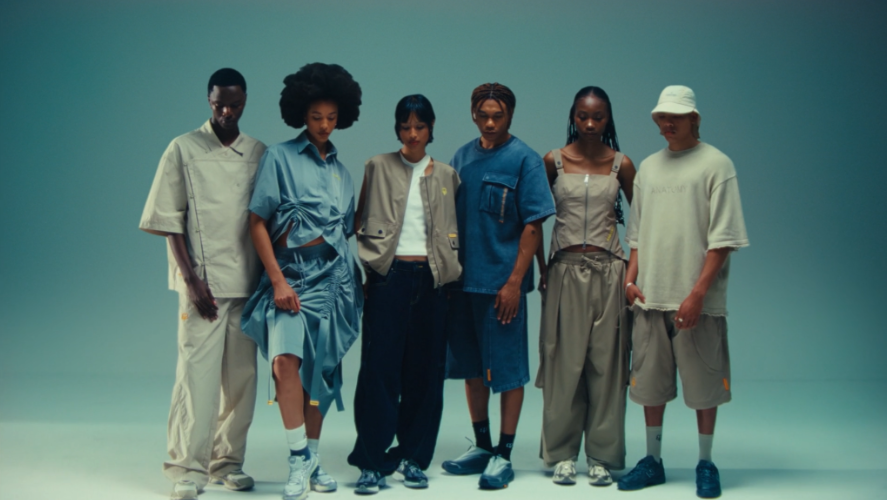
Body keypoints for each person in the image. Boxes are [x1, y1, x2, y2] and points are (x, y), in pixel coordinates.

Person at [617, 85, 749, 499]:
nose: (667, 124)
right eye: (661, 117)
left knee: (704, 387)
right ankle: (652, 460)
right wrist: (630, 281)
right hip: (650, 298)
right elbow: (637, 235)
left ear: (694, 118)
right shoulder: (649, 169)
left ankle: (706, 462)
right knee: (649, 386)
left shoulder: (717, 165)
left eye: (675, 117)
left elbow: (724, 238)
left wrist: (698, 294)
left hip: (698, 303)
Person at [139, 68, 264, 500]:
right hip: (203, 286)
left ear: (245, 101)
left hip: (247, 283)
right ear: (208, 101)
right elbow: (169, 219)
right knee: (196, 378)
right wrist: (192, 280)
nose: (227, 112)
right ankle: (187, 468)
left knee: (242, 379)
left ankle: (227, 462)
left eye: (234, 104)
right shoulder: (183, 148)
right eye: (219, 105)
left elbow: (264, 219)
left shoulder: (258, 152)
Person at [240, 63, 363, 500]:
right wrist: (277, 281)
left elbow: (346, 231)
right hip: (290, 277)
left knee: (322, 372)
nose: (324, 125)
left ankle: (313, 457)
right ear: (301, 114)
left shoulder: (343, 173)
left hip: (333, 281)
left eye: (332, 117)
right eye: (316, 117)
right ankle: (297, 459)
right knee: (284, 363)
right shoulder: (279, 157)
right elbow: (257, 222)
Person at [442, 83, 556, 490]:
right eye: (483, 115)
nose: (490, 123)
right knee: (471, 370)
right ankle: (482, 446)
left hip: (501, 287)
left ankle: (504, 455)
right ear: (473, 114)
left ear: (510, 115)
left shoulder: (525, 160)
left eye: (498, 116)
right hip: (462, 284)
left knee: (507, 372)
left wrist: (513, 283)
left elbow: (533, 226)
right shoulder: (461, 157)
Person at [347, 94, 461, 494]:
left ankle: (413, 458)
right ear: (396, 128)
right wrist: (368, 269)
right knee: (378, 372)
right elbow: (358, 219)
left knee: (425, 374)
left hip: (433, 281)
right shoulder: (377, 166)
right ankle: (371, 462)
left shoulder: (447, 175)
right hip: (388, 278)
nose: (412, 134)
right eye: (405, 126)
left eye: (420, 126)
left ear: (431, 129)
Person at [534, 86, 636, 487]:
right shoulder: (553, 161)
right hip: (564, 270)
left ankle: (601, 457)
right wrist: (542, 267)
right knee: (563, 363)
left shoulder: (622, 165)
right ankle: (562, 455)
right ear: (572, 117)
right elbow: (533, 219)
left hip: (610, 271)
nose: (590, 124)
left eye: (598, 117)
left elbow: (643, 225)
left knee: (608, 366)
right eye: (583, 116)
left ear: (608, 119)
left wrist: (632, 274)